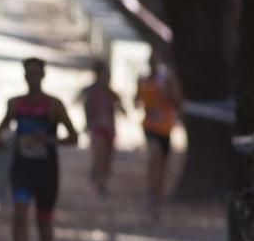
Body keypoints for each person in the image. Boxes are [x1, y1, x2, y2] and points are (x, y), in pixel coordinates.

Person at [0, 58, 78, 241]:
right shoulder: (15, 105)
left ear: (43, 76)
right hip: (21, 169)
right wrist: (1, 140)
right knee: (20, 216)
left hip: (46, 171)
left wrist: (50, 140)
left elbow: (74, 137)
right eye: (28, 73)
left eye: (36, 73)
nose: (32, 78)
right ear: (24, 76)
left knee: (44, 220)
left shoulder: (54, 106)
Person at [134, 50, 182, 216]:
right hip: (149, 126)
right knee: (154, 156)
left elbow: (176, 101)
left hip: (165, 127)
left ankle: (157, 197)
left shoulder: (167, 80)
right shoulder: (143, 80)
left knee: (163, 164)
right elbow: (136, 100)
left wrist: (167, 95)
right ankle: (150, 191)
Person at [77, 60, 125, 196]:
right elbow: (80, 101)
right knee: (100, 155)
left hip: (109, 129)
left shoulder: (111, 93)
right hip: (96, 129)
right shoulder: (90, 91)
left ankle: (100, 178)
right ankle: (100, 184)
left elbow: (122, 109)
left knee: (108, 158)